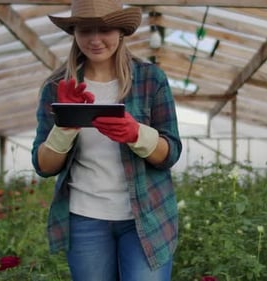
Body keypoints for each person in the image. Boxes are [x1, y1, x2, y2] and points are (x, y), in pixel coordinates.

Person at [31, 0, 182, 280]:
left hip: (146, 218)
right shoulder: (57, 87)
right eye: (86, 30)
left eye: (105, 29)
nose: (95, 39)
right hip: (85, 218)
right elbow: (44, 166)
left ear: (121, 32)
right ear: (74, 32)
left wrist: (137, 134)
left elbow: (170, 153)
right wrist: (65, 126)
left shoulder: (150, 79)